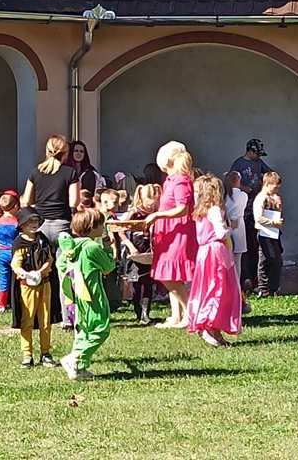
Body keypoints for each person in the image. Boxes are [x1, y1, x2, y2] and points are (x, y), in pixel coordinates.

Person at [21, 135, 80, 326]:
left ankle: (37, 316)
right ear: (65, 153)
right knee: (65, 274)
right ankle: (68, 319)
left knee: (40, 271)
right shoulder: (70, 173)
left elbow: (26, 200)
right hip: (63, 226)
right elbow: (74, 201)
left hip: (41, 226)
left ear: (47, 151)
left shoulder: (35, 172)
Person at [58, 209, 115, 380]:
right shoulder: (92, 247)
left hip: (76, 295)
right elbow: (108, 267)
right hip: (92, 294)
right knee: (100, 329)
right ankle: (75, 359)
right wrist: (108, 248)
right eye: (101, 224)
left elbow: (61, 265)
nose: (103, 227)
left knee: (83, 330)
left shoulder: (71, 246)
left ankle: (80, 368)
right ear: (92, 227)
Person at [145, 143, 198, 329]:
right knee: (170, 275)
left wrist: (157, 215)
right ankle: (176, 316)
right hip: (168, 232)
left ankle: (189, 313)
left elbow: (183, 209)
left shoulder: (181, 181)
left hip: (178, 232)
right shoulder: (170, 180)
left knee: (170, 275)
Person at [188, 175, 243, 347]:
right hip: (216, 251)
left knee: (206, 287)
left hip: (204, 251)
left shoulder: (200, 211)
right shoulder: (215, 210)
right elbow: (220, 233)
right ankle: (209, 323)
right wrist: (230, 228)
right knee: (219, 288)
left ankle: (213, 327)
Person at [10, 208, 57, 369]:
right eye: (30, 221)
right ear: (22, 225)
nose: (34, 224)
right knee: (27, 319)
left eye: (36, 221)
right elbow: (15, 264)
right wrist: (27, 274)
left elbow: (49, 259)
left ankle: (46, 353)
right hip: (27, 287)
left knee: (45, 319)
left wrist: (40, 272)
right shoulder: (19, 243)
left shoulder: (42, 239)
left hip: (45, 284)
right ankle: (27, 354)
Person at [229, 139, 273, 291]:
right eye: (257, 154)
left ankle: (255, 278)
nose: (258, 157)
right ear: (250, 151)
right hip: (244, 210)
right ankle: (245, 277)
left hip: (256, 208)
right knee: (244, 245)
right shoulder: (239, 164)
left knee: (255, 244)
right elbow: (231, 180)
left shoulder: (259, 163)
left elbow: (270, 173)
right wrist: (243, 188)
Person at [118, 184, 161, 325]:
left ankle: (145, 314)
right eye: (149, 204)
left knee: (148, 283)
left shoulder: (156, 213)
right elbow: (121, 231)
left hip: (149, 252)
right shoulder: (134, 213)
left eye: (155, 203)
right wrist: (130, 247)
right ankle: (138, 312)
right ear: (142, 199)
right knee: (136, 283)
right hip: (135, 251)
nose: (151, 206)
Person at [253, 172, 285, 297]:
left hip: (274, 233)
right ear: (267, 184)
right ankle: (263, 288)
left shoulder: (274, 198)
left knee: (277, 260)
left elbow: (276, 213)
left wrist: (279, 207)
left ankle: (274, 287)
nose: (277, 190)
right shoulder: (261, 198)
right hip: (264, 233)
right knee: (265, 260)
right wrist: (272, 222)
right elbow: (258, 218)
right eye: (275, 187)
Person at [223, 171, 250, 313]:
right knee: (237, 260)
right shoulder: (243, 195)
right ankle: (237, 288)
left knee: (228, 258)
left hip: (227, 225)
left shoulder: (224, 195)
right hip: (238, 226)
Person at [0, 191, 20, 313]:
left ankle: (1, 305)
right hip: (16, 253)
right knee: (19, 277)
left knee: (2, 279)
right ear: (15, 206)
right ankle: (17, 302)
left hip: (1, 253)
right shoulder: (18, 223)